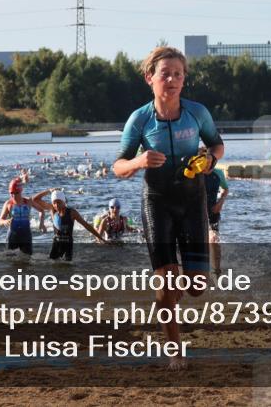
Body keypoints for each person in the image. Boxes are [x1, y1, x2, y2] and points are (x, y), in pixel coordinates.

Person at [113, 46, 224, 370]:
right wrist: (139, 160)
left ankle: (164, 302)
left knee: (196, 288)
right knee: (167, 280)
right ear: (150, 78)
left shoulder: (197, 112)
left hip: (192, 201)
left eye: (178, 74)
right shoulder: (141, 119)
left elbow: (217, 143)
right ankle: (175, 350)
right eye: (165, 74)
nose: (172, 80)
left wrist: (210, 159)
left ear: (184, 79)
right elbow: (118, 166)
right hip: (157, 202)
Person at [35, 188, 108, 259]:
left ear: (64, 202)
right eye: (54, 203)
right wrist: (48, 191)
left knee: (68, 267)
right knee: (53, 265)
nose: (56, 205)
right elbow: (35, 199)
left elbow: (86, 225)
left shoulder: (72, 213)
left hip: (68, 244)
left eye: (59, 202)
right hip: (56, 243)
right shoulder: (52, 210)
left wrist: (100, 238)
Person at [0, 177, 47, 255]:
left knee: (27, 261)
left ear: (20, 191)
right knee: (11, 262)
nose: (13, 195)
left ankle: (21, 268)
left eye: (15, 193)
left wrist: (41, 224)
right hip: (13, 236)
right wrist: (5, 221)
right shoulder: (8, 204)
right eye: (11, 193)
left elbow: (42, 211)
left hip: (26, 235)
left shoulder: (28, 201)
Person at [205, 165, 230, 276]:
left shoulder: (218, 173)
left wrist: (220, 202)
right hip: (194, 213)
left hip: (212, 212)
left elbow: (225, 189)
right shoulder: (192, 172)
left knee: (213, 239)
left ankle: (216, 272)